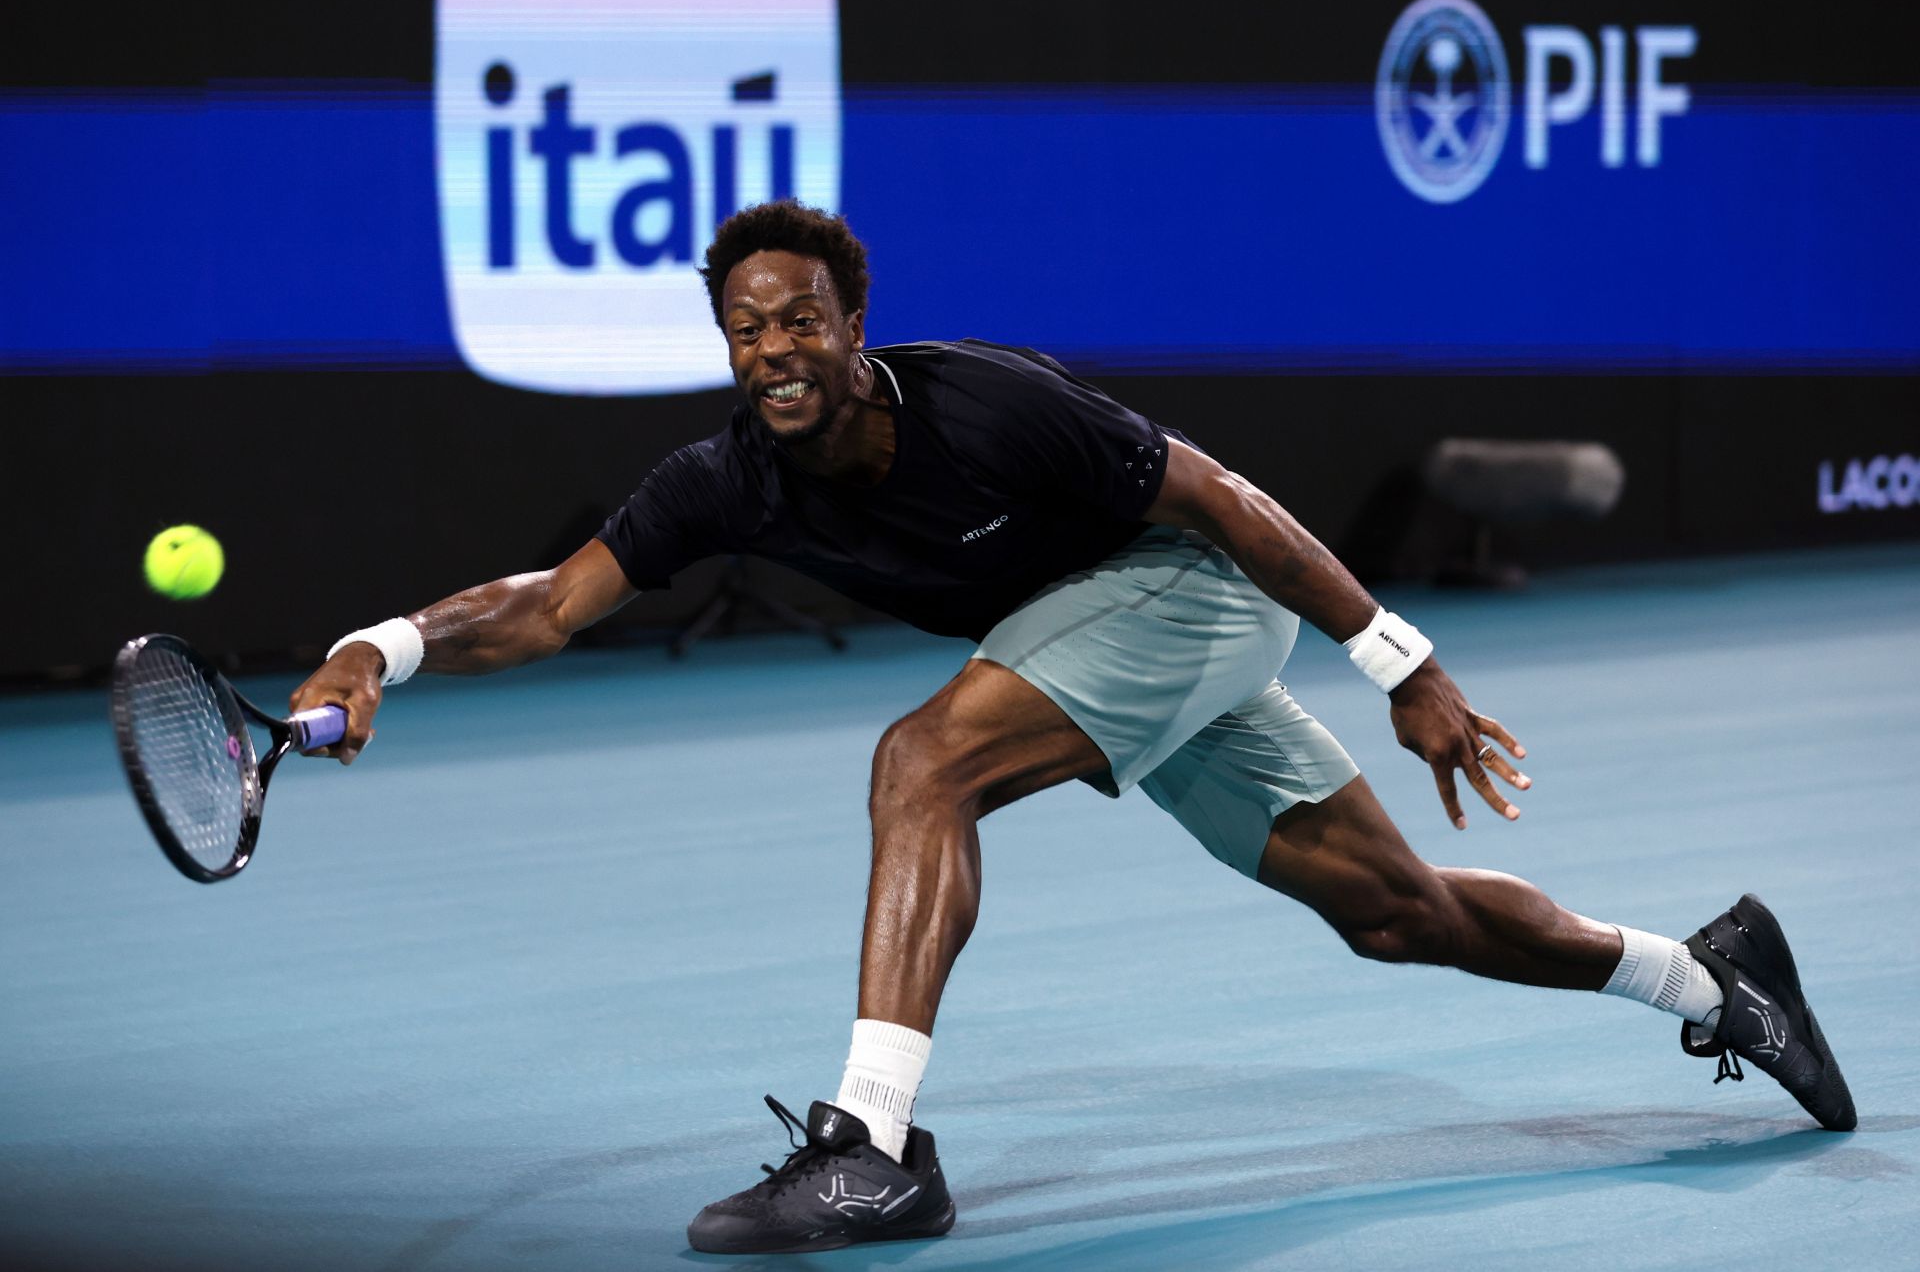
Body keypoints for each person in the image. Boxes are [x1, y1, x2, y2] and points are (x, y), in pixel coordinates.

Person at [291, 201, 1855, 1256]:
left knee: (923, 762)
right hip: (1097, 654)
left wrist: (1402, 663)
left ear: (854, 321)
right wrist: (380, 650)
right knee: (1403, 919)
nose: (775, 351)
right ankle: (1712, 973)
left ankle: (874, 1146)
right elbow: (549, 603)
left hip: (1187, 599)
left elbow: (1226, 502)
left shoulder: (983, 402)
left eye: (802, 322)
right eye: (747, 329)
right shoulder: (724, 479)